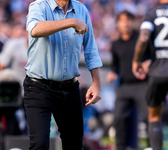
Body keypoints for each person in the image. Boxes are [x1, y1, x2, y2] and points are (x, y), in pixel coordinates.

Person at [24, 0, 103, 149]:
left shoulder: (82, 10)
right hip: (38, 87)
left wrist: (97, 84)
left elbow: (91, 50)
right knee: (39, 144)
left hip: (70, 87)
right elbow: (34, 29)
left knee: (74, 144)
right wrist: (71, 22)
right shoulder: (38, 6)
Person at [106, 11, 149, 150]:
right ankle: (121, 147)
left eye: (128, 20)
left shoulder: (141, 40)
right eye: (122, 20)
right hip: (124, 86)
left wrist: (147, 64)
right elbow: (115, 66)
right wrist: (113, 73)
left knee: (150, 117)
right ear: (118, 23)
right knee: (118, 117)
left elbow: (152, 57)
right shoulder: (115, 44)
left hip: (142, 85)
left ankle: (152, 146)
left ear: (132, 21)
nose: (126, 23)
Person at [132, 0, 168, 150]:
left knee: (154, 116)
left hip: (158, 71)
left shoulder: (151, 14)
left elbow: (144, 38)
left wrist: (136, 60)